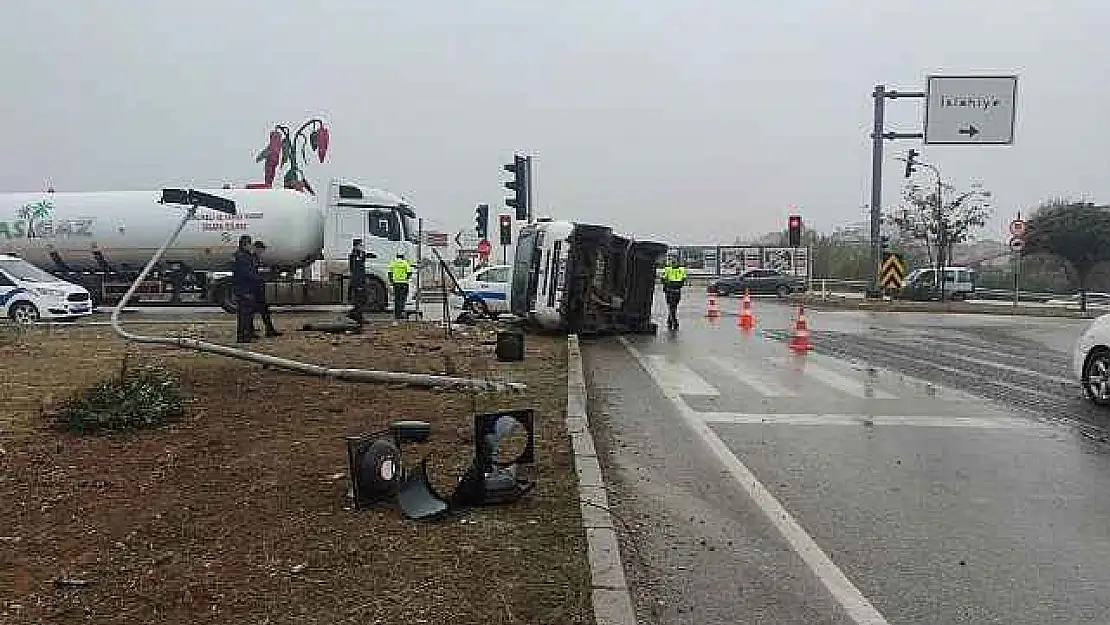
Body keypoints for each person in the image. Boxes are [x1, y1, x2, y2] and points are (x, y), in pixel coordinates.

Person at [250, 240, 282, 338]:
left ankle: (269, 330)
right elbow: (252, 274)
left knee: (263, 310)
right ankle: (253, 331)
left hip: (258, 288)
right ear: (256, 248)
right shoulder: (251, 258)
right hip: (254, 288)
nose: (261, 253)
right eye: (260, 250)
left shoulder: (255, 258)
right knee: (252, 311)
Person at [232, 235, 257, 343]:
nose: (251, 246)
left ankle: (244, 335)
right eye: (249, 244)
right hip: (244, 288)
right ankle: (243, 336)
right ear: (245, 244)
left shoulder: (242, 255)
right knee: (244, 314)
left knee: (245, 314)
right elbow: (247, 273)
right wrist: (257, 278)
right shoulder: (242, 257)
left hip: (243, 288)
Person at [661, 257, 687, 331]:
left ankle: (670, 320)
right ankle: (674, 322)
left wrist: (680, 284)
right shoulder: (667, 269)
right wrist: (666, 286)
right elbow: (663, 279)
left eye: (675, 262)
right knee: (671, 307)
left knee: (674, 306)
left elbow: (683, 279)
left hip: (677, 290)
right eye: (672, 262)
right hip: (670, 290)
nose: (673, 263)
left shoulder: (681, 269)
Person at [346, 239, 368, 325]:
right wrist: (358, 282)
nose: (362, 247)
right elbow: (355, 270)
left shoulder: (360, 254)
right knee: (360, 299)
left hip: (361, 279)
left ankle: (355, 314)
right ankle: (357, 316)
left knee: (363, 299)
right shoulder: (354, 255)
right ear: (356, 246)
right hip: (357, 280)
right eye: (361, 245)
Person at [387, 252, 414, 321]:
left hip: (396, 283)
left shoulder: (393, 263)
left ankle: (396, 314)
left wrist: (392, 281)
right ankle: (401, 313)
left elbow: (389, 273)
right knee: (402, 299)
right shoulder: (405, 263)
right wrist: (406, 278)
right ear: (403, 256)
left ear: (396, 256)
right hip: (404, 283)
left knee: (397, 298)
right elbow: (409, 272)